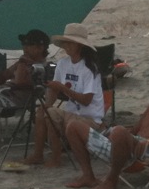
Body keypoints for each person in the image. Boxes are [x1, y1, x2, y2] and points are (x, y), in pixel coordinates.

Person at [63, 64, 149, 189]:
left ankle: (111, 180)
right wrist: (114, 132)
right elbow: (133, 131)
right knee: (73, 126)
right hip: (126, 146)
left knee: (119, 131)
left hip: (147, 152)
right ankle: (88, 176)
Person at [23, 22, 105, 167]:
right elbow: (54, 89)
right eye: (65, 42)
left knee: (53, 115)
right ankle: (39, 154)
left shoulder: (89, 68)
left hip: (89, 118)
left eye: (70, 43)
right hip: (71, 113)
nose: (66, 46)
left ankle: (56, 158)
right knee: (44, 112)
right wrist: (47, 104)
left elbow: (86, 100)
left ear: (79, 45)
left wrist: (63, 88)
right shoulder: (63, 64)